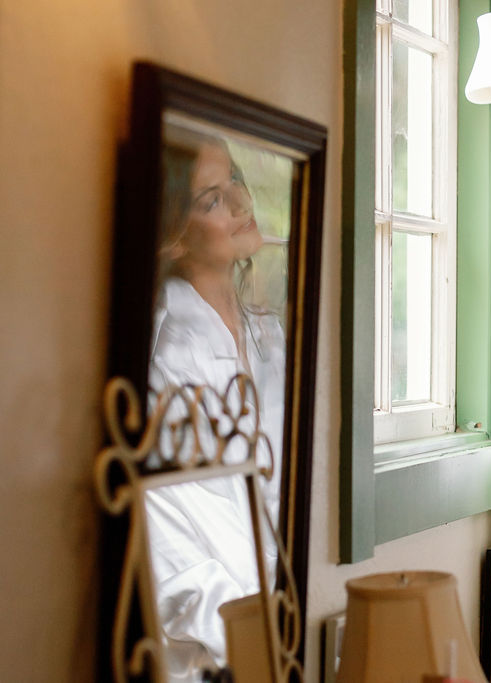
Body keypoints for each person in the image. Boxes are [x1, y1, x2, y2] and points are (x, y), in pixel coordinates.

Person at [146, 129, 286, 681]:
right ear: (173, 237)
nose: (241, 203)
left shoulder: (271, 338)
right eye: (211, 199)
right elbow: (172, 541)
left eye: (236, 181)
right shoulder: (162, 362)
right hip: (216, 656)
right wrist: (259, 643)